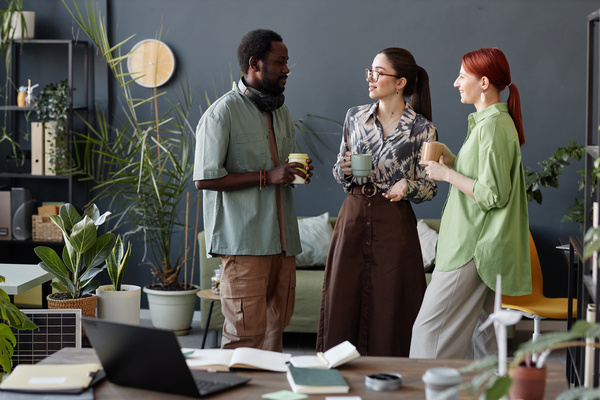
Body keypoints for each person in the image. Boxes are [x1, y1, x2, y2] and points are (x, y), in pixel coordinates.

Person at [193, 29, 313, 352]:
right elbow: (204, 179)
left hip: (284, 244)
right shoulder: (221, 114)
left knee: (277, 331)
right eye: (280, 62)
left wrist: (292, 172)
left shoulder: (282, 112)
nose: (287, 69)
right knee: (243, 336)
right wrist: (266, 176)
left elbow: (279, 168)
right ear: (254, 64)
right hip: (244, 245)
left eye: (288, 62)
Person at [410, 48, 532, 359]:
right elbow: (486, 180)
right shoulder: (491, 123)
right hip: (482, 244)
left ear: (484, 82)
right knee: (486, 338)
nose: (455, 82)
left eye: (462, 76)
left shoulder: (491, 127)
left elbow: (493, 194)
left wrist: (447, 173)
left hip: (471, 246)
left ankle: (426, 392)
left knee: (429, 333)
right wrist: (453, 162)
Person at [316, 48, 438, 357]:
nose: (370, 77)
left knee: (392, 302)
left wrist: (407, 186)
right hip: (353, 215)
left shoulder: (423, 129)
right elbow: (339, 169)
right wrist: (342, 171)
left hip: (394, 220)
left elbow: (431, 188)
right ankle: (338, 371)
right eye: (370, 71)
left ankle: (391, 378)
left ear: (400, 82)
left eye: (378, 72)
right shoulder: (354, 117)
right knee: (343, 299)